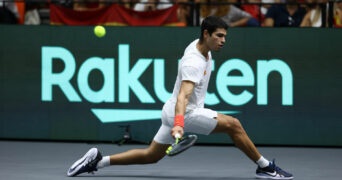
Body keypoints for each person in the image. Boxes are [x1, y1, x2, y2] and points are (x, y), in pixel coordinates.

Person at [66, 16, 293, 180]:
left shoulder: (202, 47)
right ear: (206, 34)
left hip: (172, 108)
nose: (223, 40)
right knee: (234, 125)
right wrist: (179, 123)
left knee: (151, 156)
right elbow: (184, 95)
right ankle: (265, 167)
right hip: (184, 112)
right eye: (219, 36)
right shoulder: (194, 61)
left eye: (225, 36)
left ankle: (98, 162)